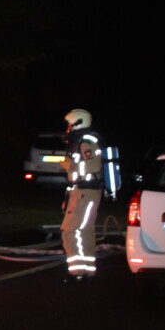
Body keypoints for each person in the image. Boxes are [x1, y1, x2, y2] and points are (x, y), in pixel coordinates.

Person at [60, 108, 103, 282]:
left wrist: (70, 166)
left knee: (70, 231)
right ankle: (87, 272)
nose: (68, 128)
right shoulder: (86, 140)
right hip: (85, 192)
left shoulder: (85, 142)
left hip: (85, 192)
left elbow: (94, 166)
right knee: (85, 232)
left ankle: (77, 272)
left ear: (78, 122)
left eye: (70, 124)